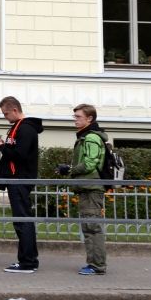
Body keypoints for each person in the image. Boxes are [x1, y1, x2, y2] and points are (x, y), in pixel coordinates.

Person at [0, 95, 44, 274]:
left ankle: (28, 262)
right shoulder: (17, 128)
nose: (5, 117)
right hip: (16, 179)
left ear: (15, 110)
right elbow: (16, 151)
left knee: (23, 221)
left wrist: (2, 148)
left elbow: (20, 155)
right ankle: (25, 260)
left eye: (6, 114)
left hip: (20, 180)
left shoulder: (26, 129)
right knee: (21, 221)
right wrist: (4, 145)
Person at [57, 103, 108, 276]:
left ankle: (97, 265)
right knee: (89, 227)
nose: (75, 120)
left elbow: (90, 163)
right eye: (75, 116)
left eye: (78, 117)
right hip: (88, 187)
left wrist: (70, 170)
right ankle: (95, 264)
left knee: (92, 227)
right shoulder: (86, 136)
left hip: (92, 188)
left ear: (89, 118)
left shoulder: (91, 138)